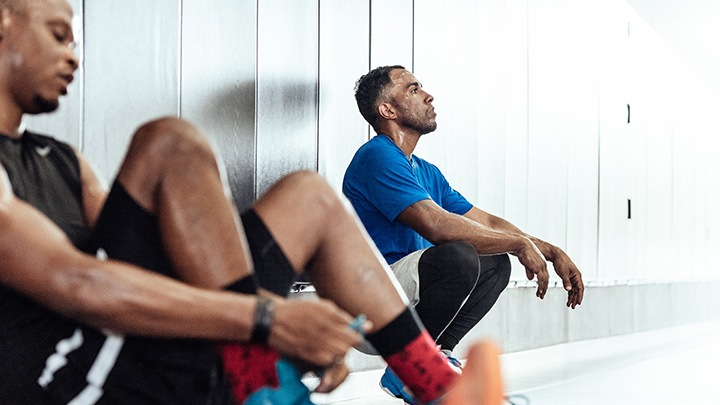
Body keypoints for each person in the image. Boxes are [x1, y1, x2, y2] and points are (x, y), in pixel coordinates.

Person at [0, 2, 498, 404]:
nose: (73, 57)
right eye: (58, 34)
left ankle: (431, 383)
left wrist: (288, 327)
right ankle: (259, 373)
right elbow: (76, 281)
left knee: (209, 156)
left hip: (139, 351)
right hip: (70, 381)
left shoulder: (60, 160)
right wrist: (270, 321)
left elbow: (141, 257)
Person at [343, 65, 585, 401]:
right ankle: (408, 370)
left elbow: (486, 224)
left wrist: (548, 250)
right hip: (371, 305)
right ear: (387, 110)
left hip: (404, 300)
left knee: (496, 260)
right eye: (413, 90)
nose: (428, 95)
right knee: (457, 256)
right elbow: (436, 226)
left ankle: (436, 357)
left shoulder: (426, 172)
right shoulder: (377, 156)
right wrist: (518, 243)